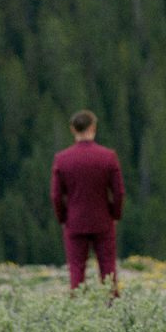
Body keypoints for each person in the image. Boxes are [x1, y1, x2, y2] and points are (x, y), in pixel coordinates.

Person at [52, 109, 125, 295]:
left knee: (76, 271)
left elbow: (56, 195)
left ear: (72, 129)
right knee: (108, 270)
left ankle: (78, 311)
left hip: (75, 221)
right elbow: (119, 192)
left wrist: (63, 218)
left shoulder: (62, 159)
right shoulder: (108, 156)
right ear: (93, 127)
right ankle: (113, 311)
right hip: (103, 220)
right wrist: (115, 214)